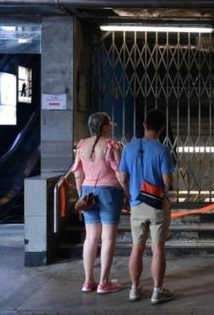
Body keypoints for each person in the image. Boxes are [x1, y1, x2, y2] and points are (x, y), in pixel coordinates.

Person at [118, 109, 175, 303]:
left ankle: (134, 289)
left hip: (136, 204)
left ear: (144, 125)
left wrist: (130, 193)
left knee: (137, 247)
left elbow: (123, 177)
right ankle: (157, 292)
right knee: (157, 249)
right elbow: (167, 181)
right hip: (157, 204)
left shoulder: (128, 148)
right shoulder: (163, 150)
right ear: (162, 129)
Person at [71, 112, 126, 294]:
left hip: (88, 192)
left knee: (91, 237)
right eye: (110, 122)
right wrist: (127, 192)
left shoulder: (81, 146)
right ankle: (104, 283)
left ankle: (88, 282)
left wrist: (82, 196)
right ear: (104, 126)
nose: (112, 125)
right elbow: (120, 174)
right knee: (108, 237)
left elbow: (78, 174)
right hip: (109, 192)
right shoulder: (111, 146)